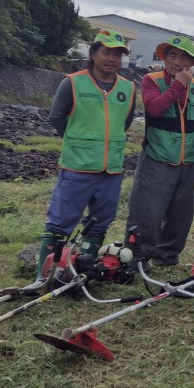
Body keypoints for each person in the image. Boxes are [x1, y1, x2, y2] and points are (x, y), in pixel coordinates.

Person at [36, 30, 137, 276]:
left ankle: (84, 272)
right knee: (59, 224)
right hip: (77, 168)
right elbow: (57, 118)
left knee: (99, 224)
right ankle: (45, 274)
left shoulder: (128, 88)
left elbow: (125, 122)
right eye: (106, 52)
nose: (112, 58)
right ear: (93, 54)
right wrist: (78, 142)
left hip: (111, 170)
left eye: (117, 54)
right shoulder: (72, 82)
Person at [127, 35, 194, 267]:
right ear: (164, 58)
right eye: (172, 55)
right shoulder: (151, 81)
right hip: (158, 158)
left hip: (190, 161)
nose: (177, 61)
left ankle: (168, 256)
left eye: (183, 56)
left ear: (192, 62)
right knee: (147, 212)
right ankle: (137, 259)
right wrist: (177, 85)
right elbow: (154, 109)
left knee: (181, 215)